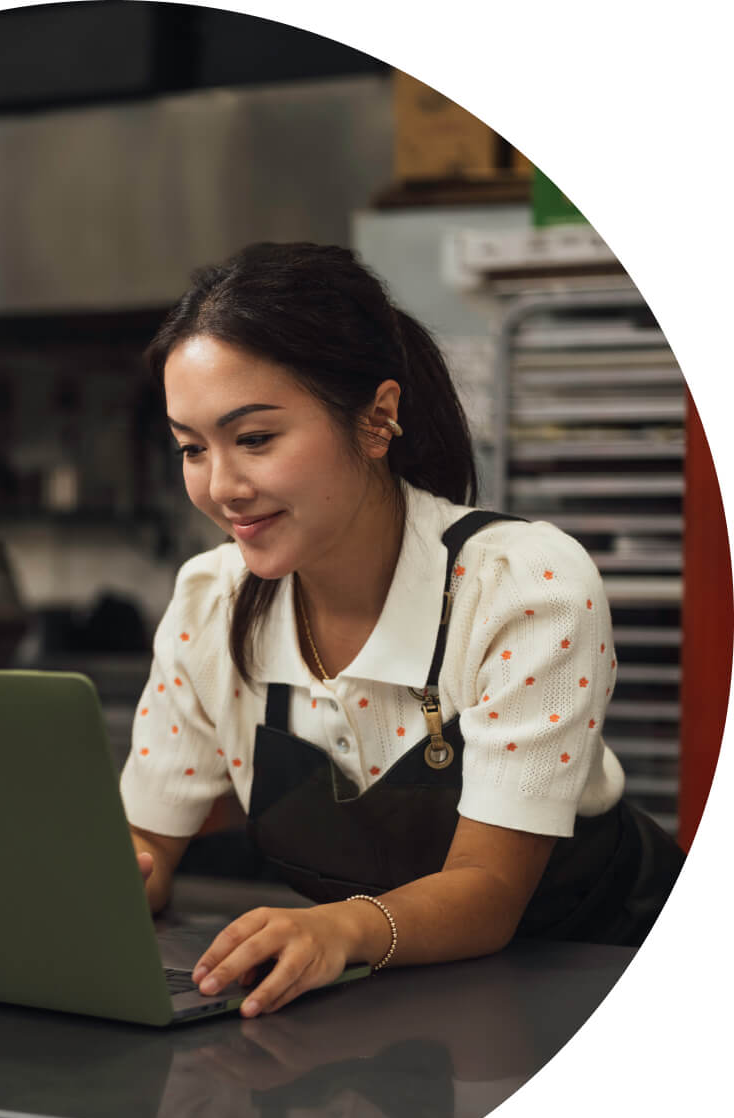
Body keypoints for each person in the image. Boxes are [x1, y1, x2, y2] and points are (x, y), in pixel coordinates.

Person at [121, 241, 684, 1020]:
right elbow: (141, 856)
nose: (221, 488)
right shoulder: (211, 602)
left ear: (379, 416)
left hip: (611, 989)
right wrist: (82, 885)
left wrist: (339, 930)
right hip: (389, 1013)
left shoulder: (523, 586)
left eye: (254, 439)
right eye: (192, 448)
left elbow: (487, 895)